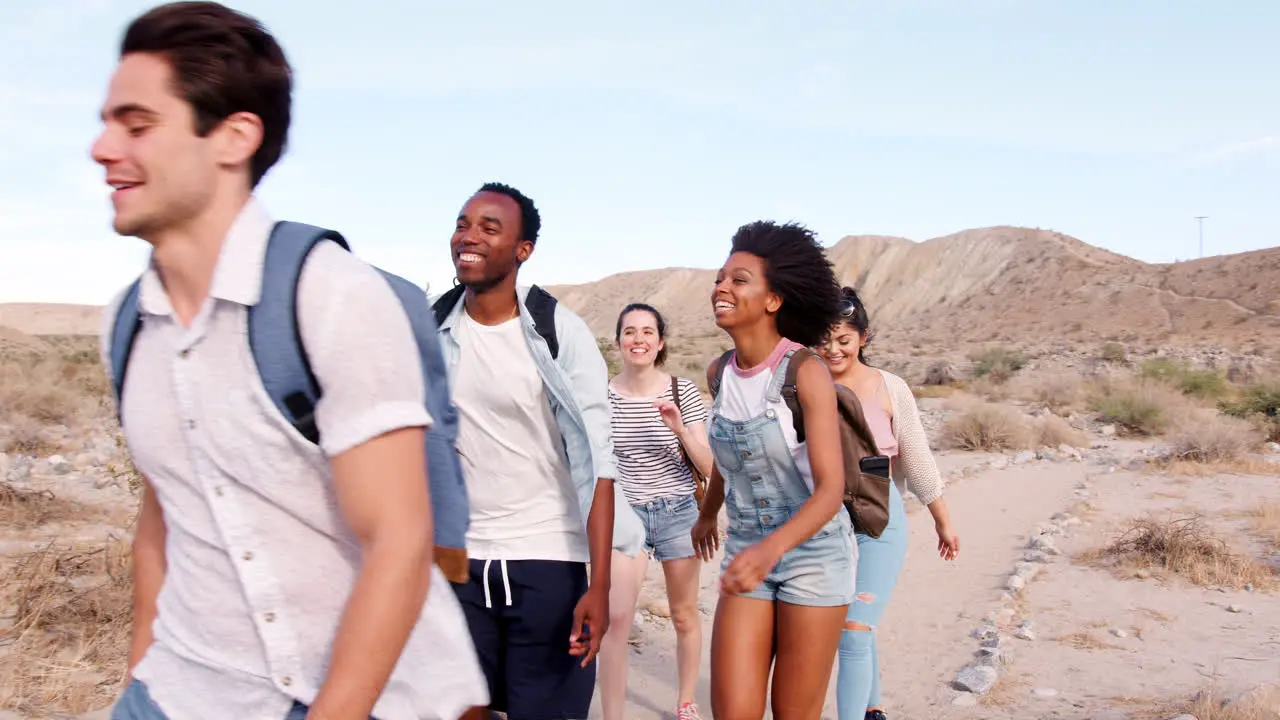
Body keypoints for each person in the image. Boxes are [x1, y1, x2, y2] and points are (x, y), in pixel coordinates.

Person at [92, 3, 488, 719]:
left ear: (234, 137)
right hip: (175, 691)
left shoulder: (328, 297)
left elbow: (399, 541)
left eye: (137, 124)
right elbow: (164, 514)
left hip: (349, 697)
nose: (102, 147)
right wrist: (138, 683)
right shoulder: (127, 325)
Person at [432, 182, 646, 720]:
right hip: (461, 561)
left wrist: (598, 586)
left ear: (523, 250)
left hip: (547, 561)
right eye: (463, 224)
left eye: (488, 227)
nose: (468, 237)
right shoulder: (432, 325)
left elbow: (598, 463)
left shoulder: (558, 333)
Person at [691, 220, 855, 719]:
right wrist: (708, 513)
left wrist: (772, 548)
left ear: (773, 300)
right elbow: (729, 457)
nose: (722, 287)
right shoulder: (720, 372)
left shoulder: (805, 372)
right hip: (747, 548)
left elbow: (831, 490)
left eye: (739, 280)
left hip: (815, 556)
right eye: (721, 277)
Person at [818, 286, 960, 720]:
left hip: (880, 520)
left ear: (863, 337)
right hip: (825, 524)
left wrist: (943, 521)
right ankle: (873, 708)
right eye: (824, 340)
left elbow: (916, 459)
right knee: (855, 621)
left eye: (843, 340)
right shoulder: (806, 385)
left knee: (853, 631)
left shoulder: (888, 386)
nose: (833, 349)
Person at [599, 303, 713, 720]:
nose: (639, 339)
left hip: (678, 512)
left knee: (684, 614)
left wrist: (679, 429)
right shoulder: (602, 395)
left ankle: (685, 701)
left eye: (648, 332)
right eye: (630, 331)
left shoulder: (682, 392)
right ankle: (613, 714)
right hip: (625, 516)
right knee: (616, 619)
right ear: (618, 341)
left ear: (660, 342)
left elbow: (710, 468)